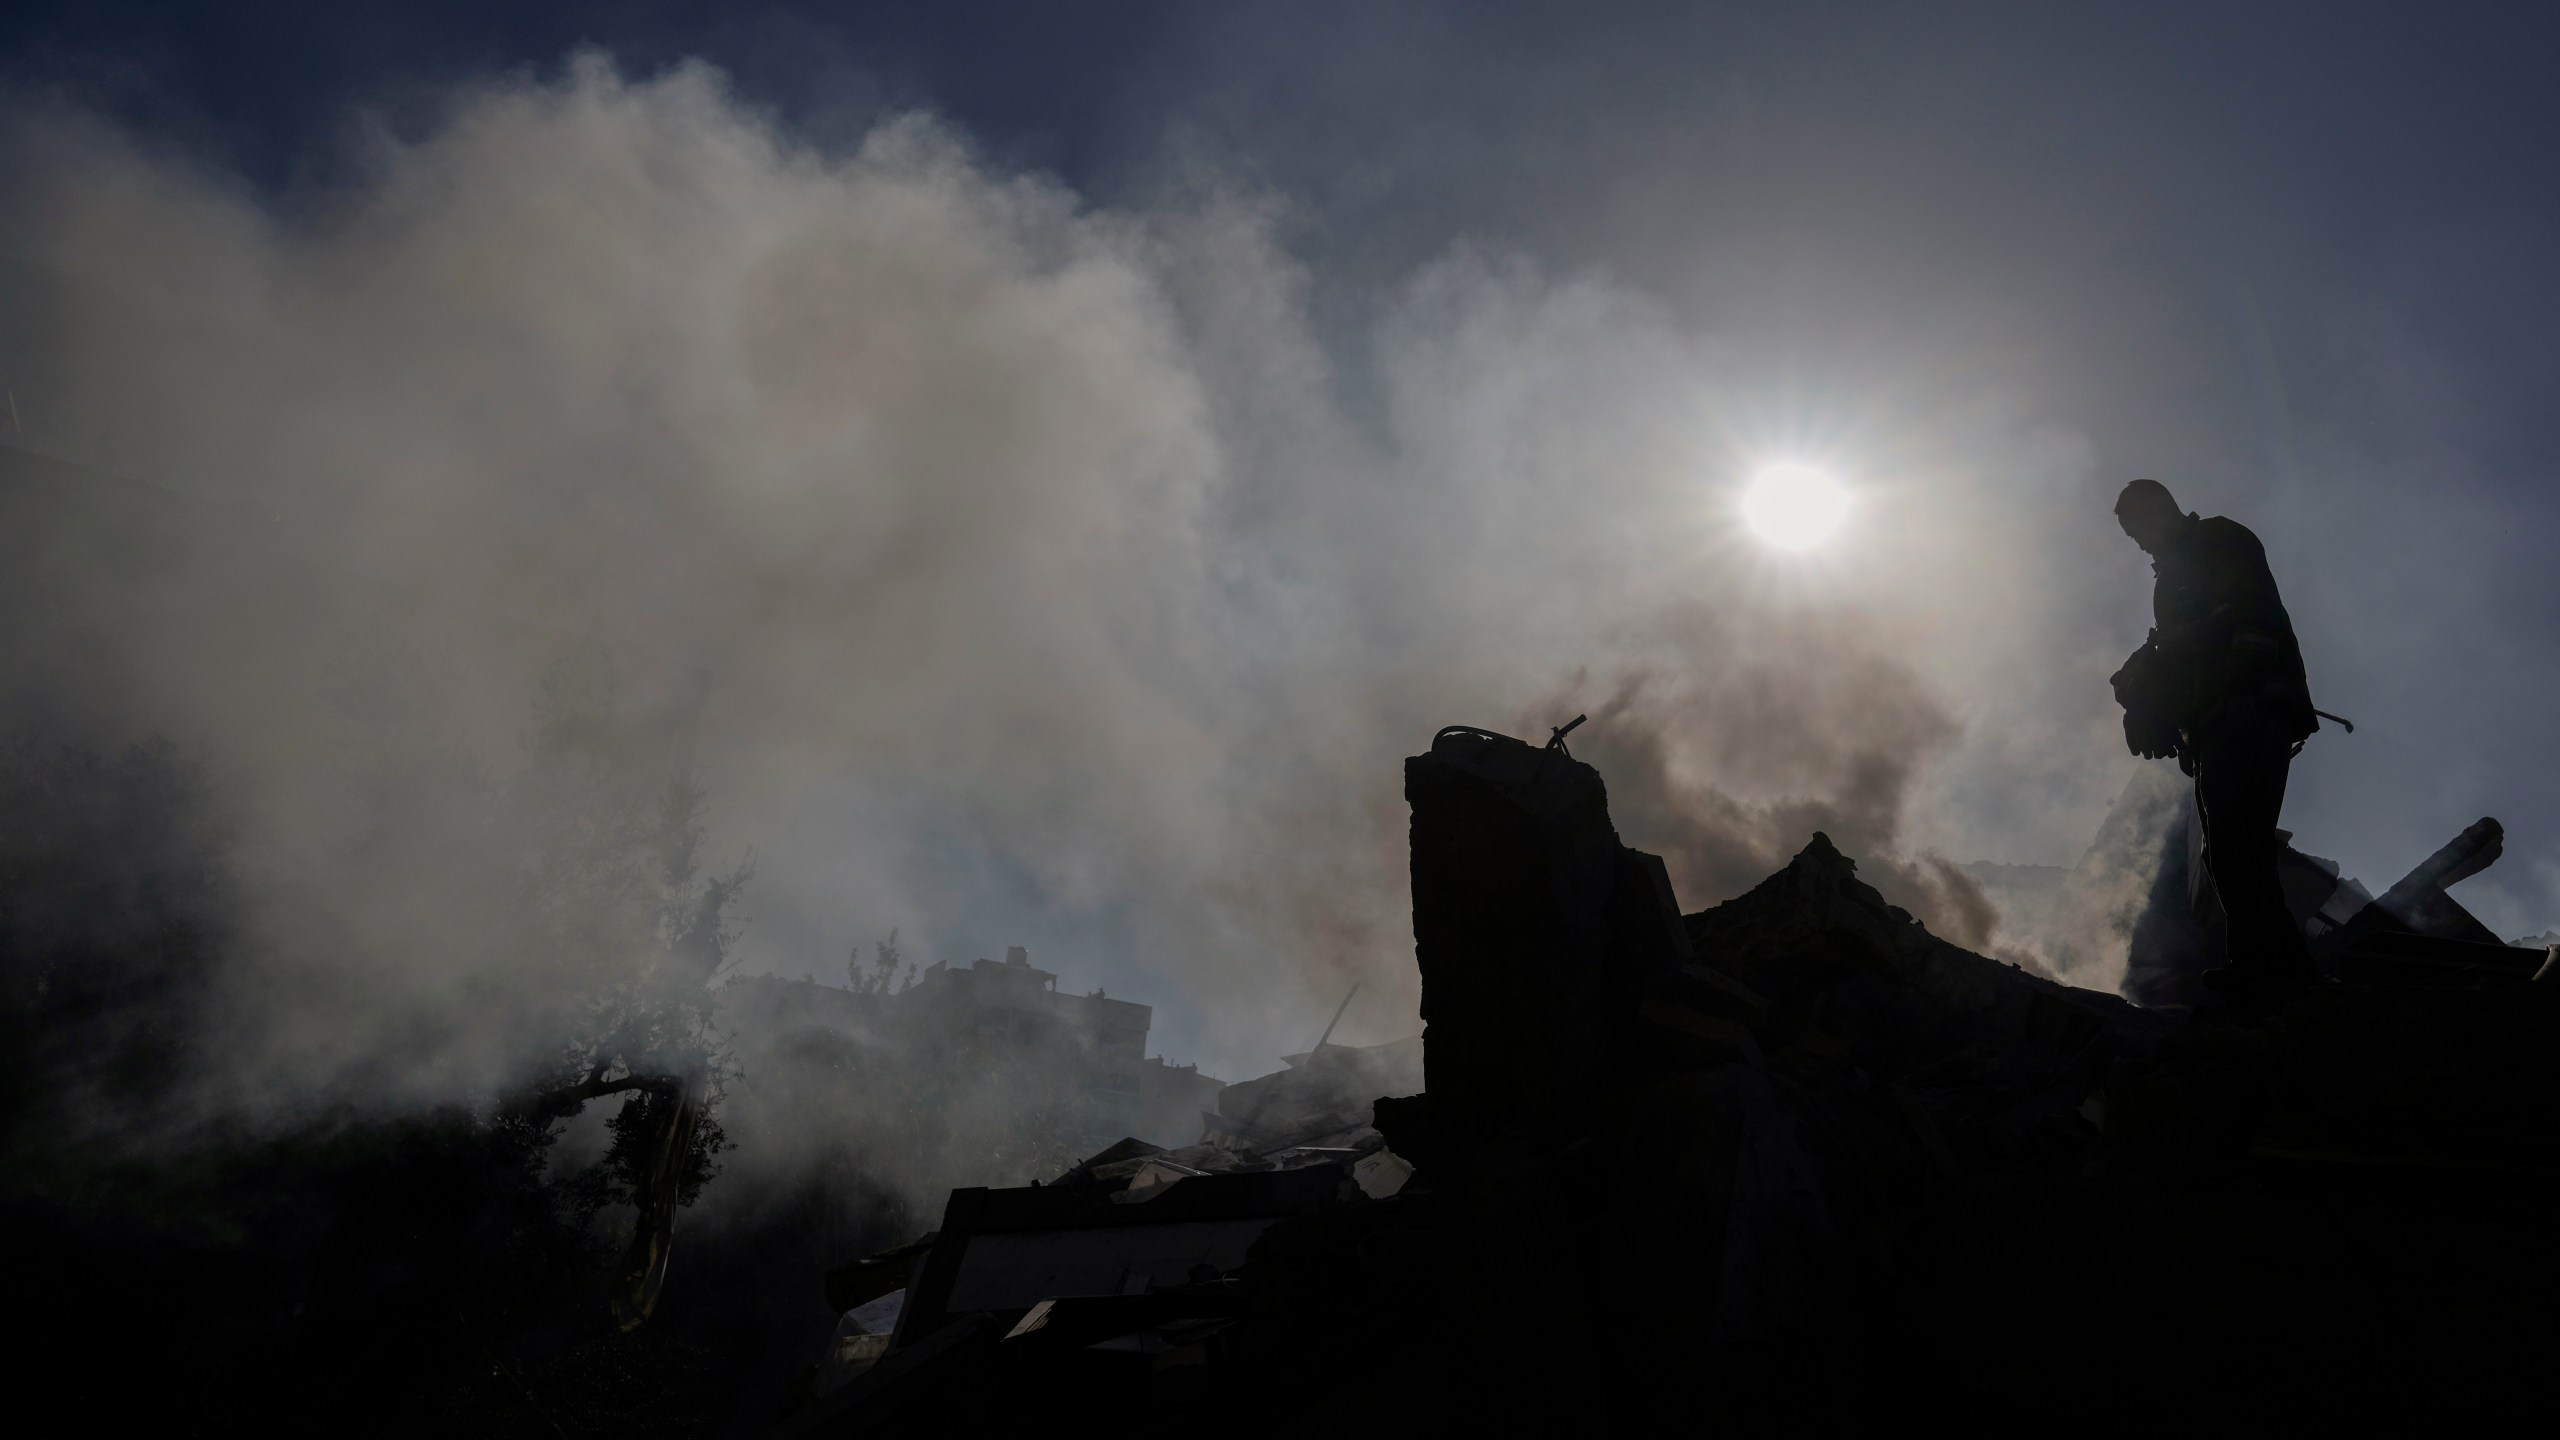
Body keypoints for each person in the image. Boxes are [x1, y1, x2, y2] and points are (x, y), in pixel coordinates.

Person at [2109, 478, 2319, 998]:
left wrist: (2247, 697)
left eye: (2139, 528)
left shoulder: (2219, 542)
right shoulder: (2171, 580)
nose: (2139, 543)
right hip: (2218, 723)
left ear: (2161, 510)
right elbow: (2185, 659)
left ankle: (2268, 976)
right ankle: (2281, 973)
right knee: (2233, 852)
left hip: (2248, 711)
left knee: (2236, 849)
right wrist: (2158, 708)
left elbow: (2256, 618)